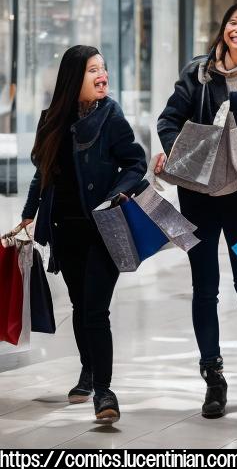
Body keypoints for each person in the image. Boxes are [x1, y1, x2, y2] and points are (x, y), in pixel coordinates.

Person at [155, 0, 237, 419]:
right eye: (233, 22)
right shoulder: (198, 72)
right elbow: (169, 119)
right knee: (204, 287)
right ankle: (213, 377)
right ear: (224, 27)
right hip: (197, 196)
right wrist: (181, 153)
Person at [18, 45, 148, 423]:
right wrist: (29, 214)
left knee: (95, 310)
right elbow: (42, 173)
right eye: (93, 69)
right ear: (75, 78)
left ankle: (104, 392)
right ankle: (87, 371)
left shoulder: (111, 115)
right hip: (64, 228)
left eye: (103, 68)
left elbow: (135, 162)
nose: (101, 75)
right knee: (80, 305)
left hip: (102, 229)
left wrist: (114, 196)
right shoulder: (52, 120)